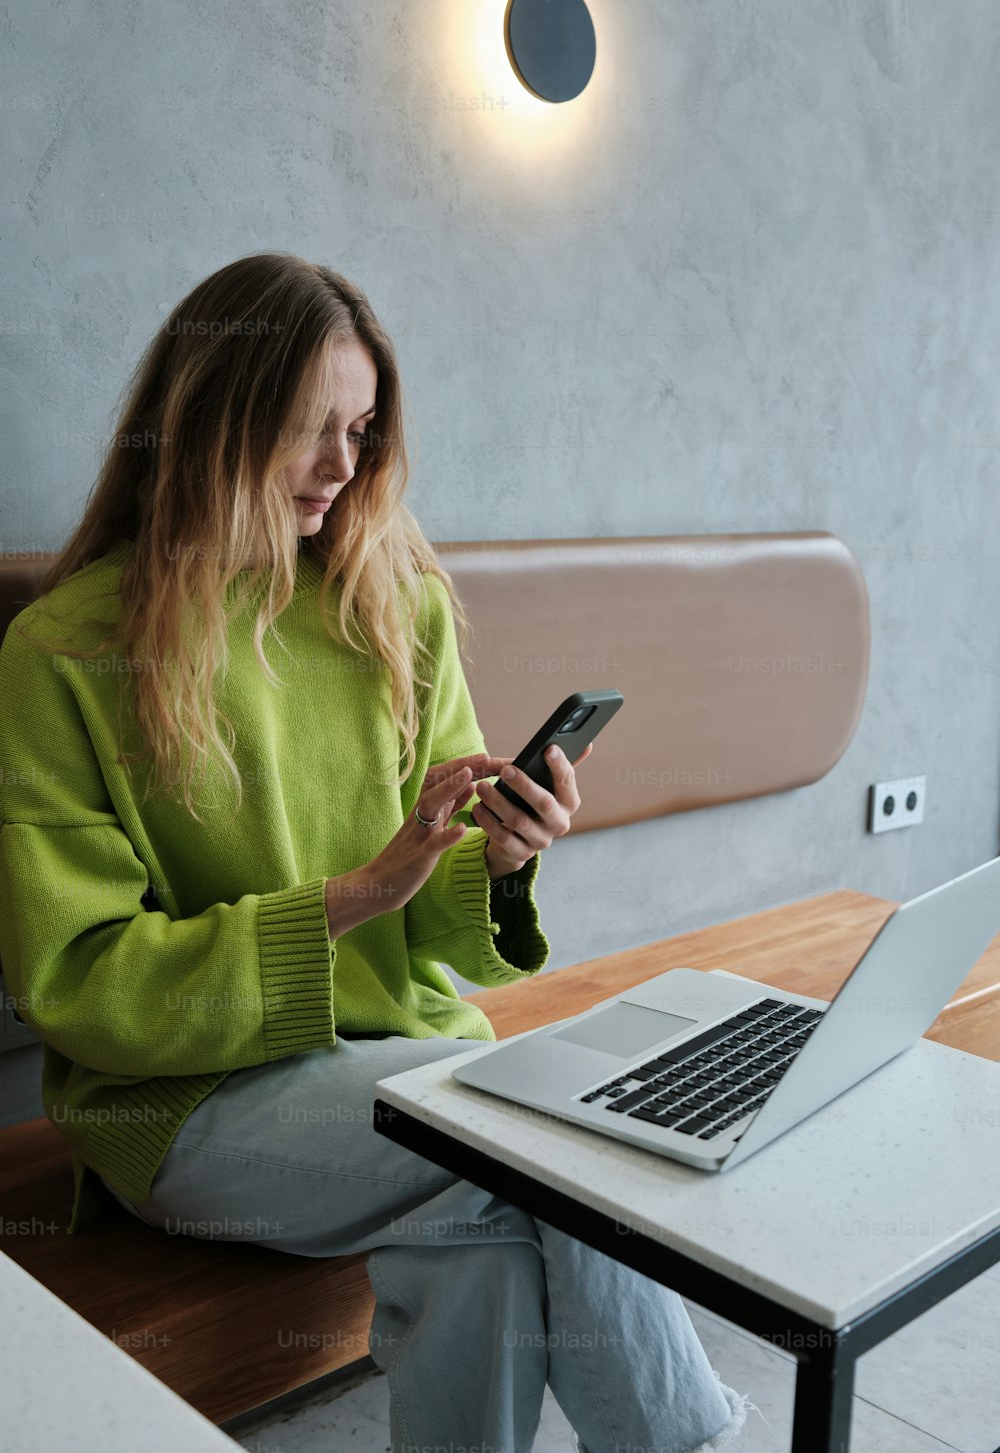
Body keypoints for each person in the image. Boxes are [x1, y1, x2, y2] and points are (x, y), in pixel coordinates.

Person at [0, 253, 755, 1452]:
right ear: (204, 429)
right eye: (307, 432)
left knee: (486, 1221)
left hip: (402, 1055)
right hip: (183, 1103)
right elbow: (83, 989)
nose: (342, 470)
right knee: (543, 1152)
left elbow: (439, 901)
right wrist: (350, 898)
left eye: (361, 429)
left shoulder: (386, 602)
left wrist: (498, 864)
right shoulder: (65, 655)